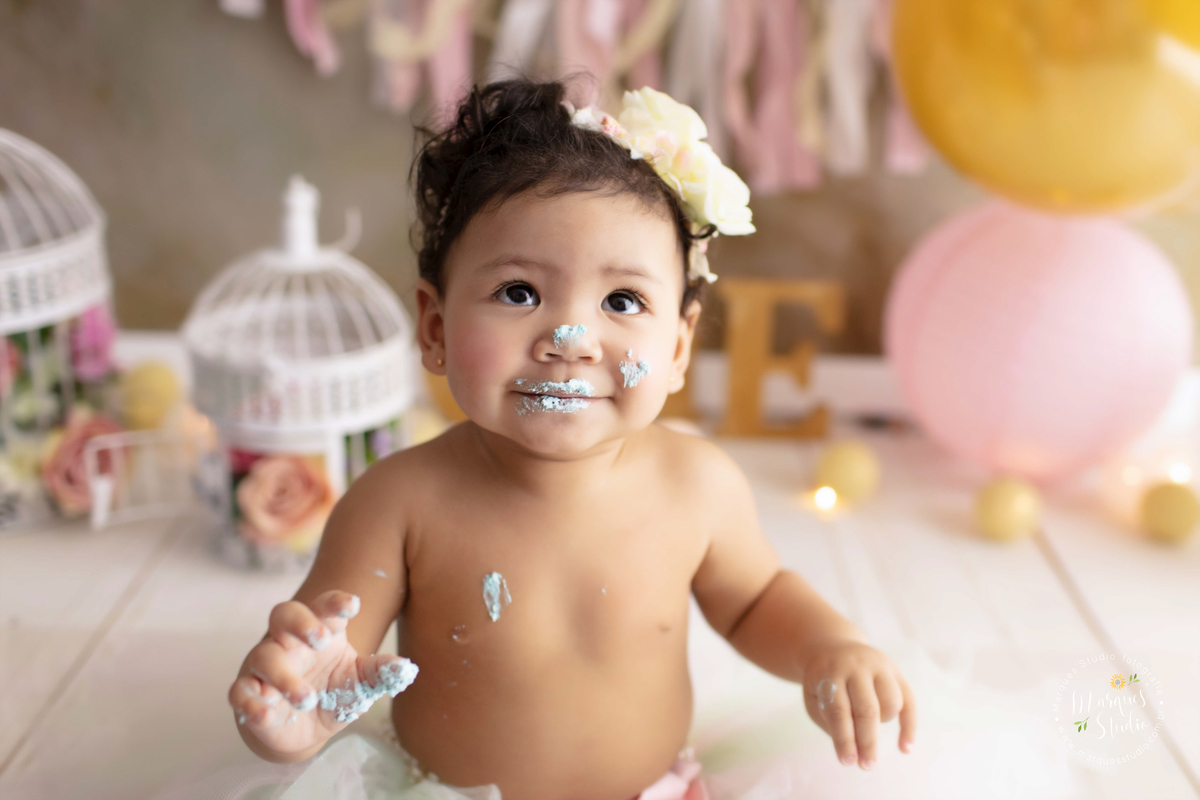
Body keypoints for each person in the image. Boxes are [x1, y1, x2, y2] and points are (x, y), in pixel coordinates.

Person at [226, 78, 916, 800]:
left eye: (622, 300)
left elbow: (753, 601)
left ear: (679, 346)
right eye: (519, 292)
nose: (571, 339)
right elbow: (327, 663)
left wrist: (827, 646)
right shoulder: (398, 503)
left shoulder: (696, 486)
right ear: (435, 327)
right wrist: (288, 719)